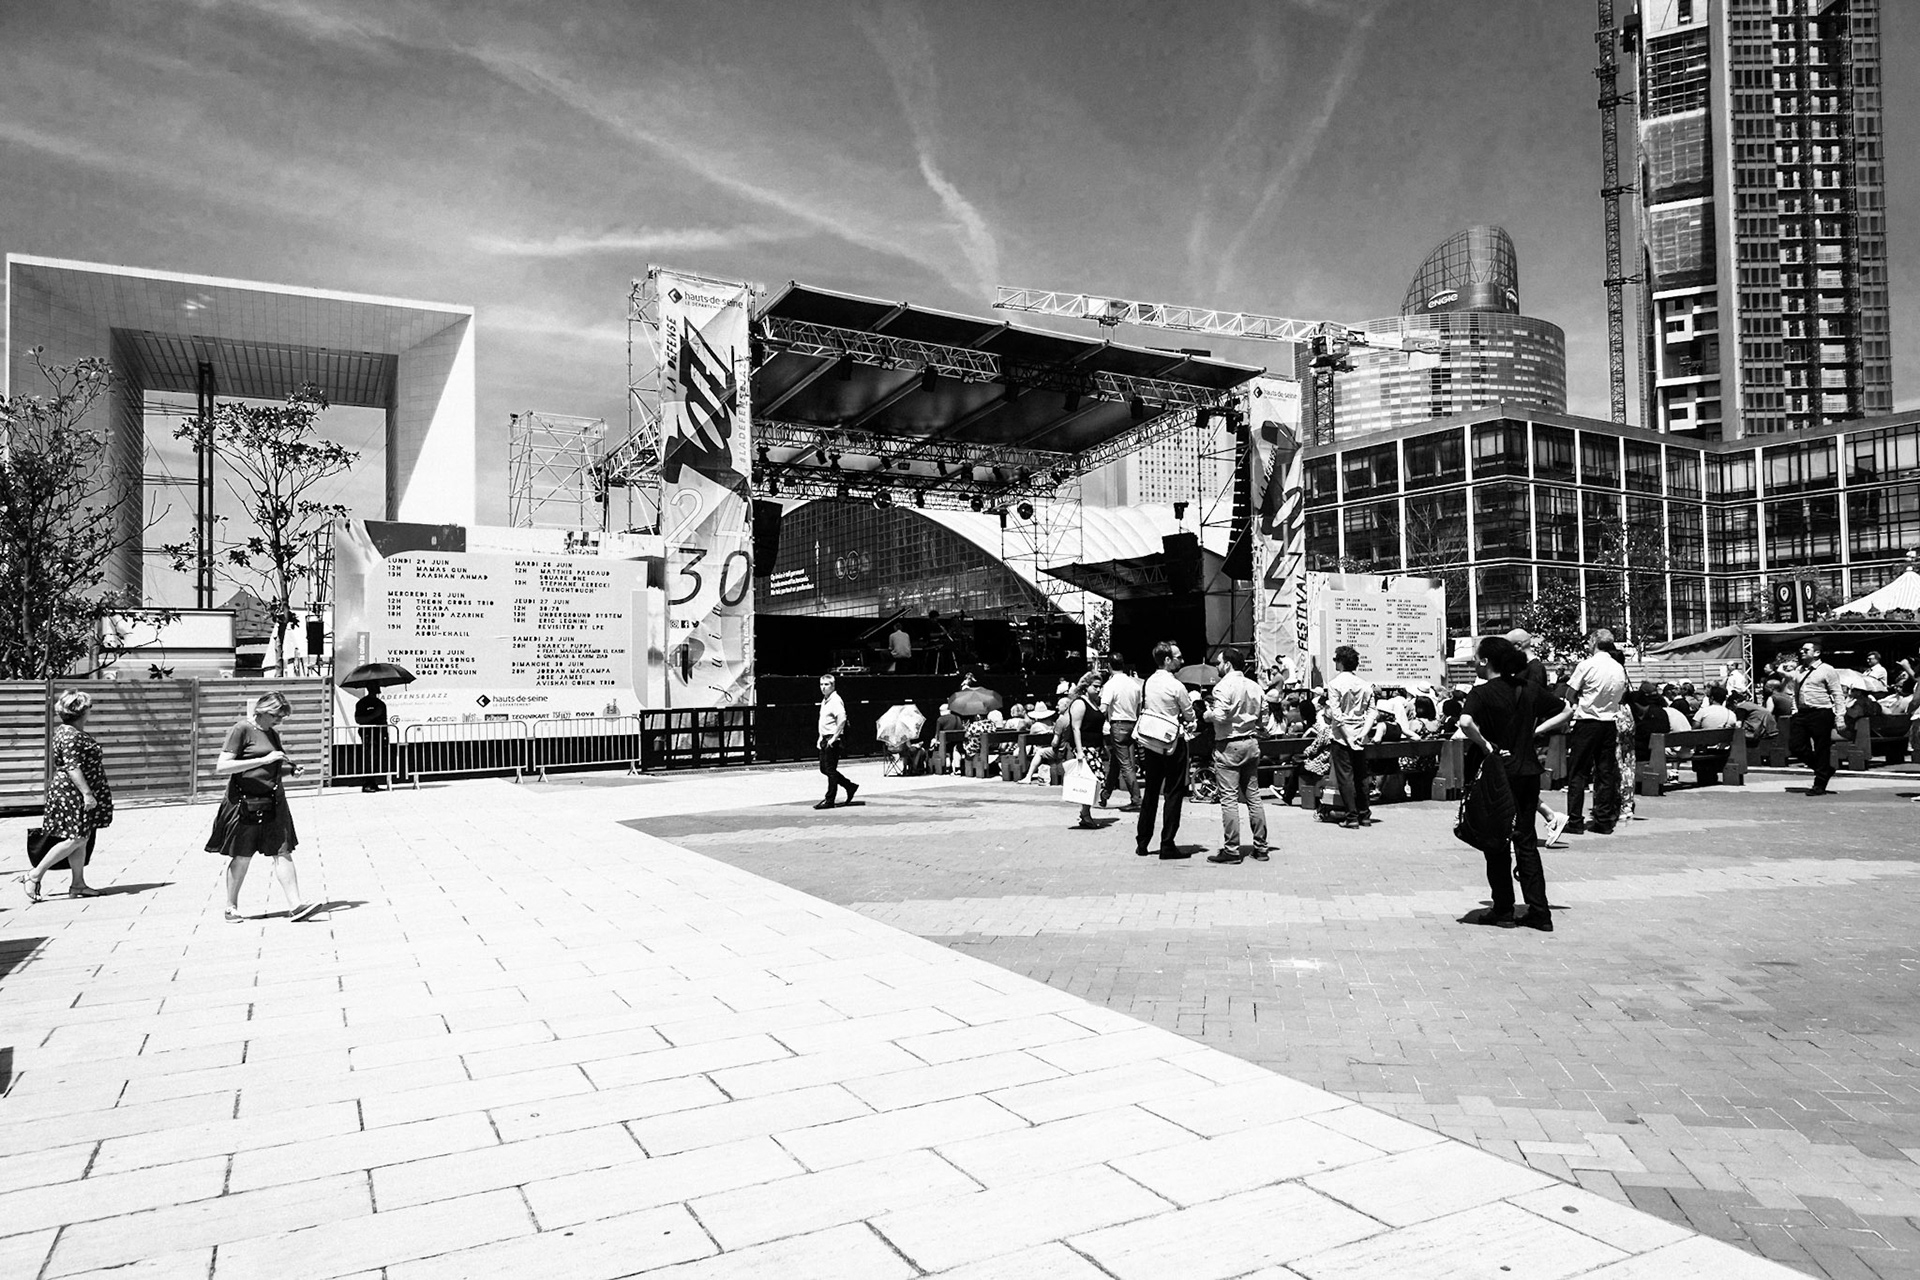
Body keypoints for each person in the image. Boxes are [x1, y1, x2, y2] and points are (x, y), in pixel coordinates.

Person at [1455, 636, 1573, 932]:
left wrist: (1486, 746)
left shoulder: (1481, 693)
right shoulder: (1529, 688)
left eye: (1475, 658)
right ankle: (1539, 912)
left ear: (1485, 661)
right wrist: (1536, 731)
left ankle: (1504, 909)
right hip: (1528, 771)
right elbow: (1567, 709)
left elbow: (1465, 722)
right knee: (1526, 841)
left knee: (1495, 840)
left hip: (1498, 773)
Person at [207, 692, 319, 923]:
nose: (279, 721)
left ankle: (296, 905)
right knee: (242, 855)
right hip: (243, 802)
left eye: (282, 717)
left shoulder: (272, 734)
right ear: (263, 711)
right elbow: (222, 766)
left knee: (283, 852)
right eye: (277, 716)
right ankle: (231, 907)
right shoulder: (242, 730)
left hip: (273, 801)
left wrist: (290, 771)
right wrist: (264, 760)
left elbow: (272, 768)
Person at [20, 690, 111, 902]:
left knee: (82, 837)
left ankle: (78, 884)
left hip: (73, 790)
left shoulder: (68, 731)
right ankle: (33, 875)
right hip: (73, 792)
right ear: (82, 711)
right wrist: (87, 793)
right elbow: (72, 767)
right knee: (77, 837)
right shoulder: (70, 735)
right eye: (89, 707)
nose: (91, 710)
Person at [1205, 647, 1270, 863]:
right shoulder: (1254, 686)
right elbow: (1264, 716)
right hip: (1251, 742)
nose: (1217, 666)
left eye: (1219, 662)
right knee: (1253, 796)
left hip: (1229, 744)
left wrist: (1207, 715)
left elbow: (1220, 716)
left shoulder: (1223, 687)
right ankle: (1261, 847)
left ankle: (1231, 849)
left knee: (1229, 799)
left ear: (1228, 664)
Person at [1135, 639, 1197, 857]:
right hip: (1172, 742)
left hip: (1150, 740)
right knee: (1173, 792)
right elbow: (1189, 714)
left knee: (1151, 790)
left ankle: (1142, 841)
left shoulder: (1148, 682)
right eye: (1178, 657)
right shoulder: (1176, 686)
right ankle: (1167, 842)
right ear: (1168, 660)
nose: (1182, 660)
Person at [1562, 628, 1627, 836]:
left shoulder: (1587, 665)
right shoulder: (1618, 668)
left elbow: (1570, 692)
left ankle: (1575, 820)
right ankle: (1604, 820)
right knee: (1605, 772)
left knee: (1578, 772)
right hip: (1609, 722)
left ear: (1593, 642)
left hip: (1587, 721)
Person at [1326, 644, 1377, 830]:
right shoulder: (1365, 685)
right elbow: (1372, 712)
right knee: (1362, 776)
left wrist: (1348, 738)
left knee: (1345, 777)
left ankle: (1351, 816)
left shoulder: (1334, 684)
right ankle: (1365, 815)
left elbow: (1336, 715)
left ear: (1340, 662)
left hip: (1341, 736)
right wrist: (1363, 733)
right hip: (1360, 734)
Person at [1790, 639, 1847, 796]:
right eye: (1801, 649)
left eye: (1806, 650)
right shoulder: (1799, 670)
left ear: (1816, 653)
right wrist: (1794, 710)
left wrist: (1840, 716)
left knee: (1822, 748)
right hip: (1802, 712)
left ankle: (1819, 784)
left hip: (1821, 712)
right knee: (1796, 746)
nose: (1802, 652)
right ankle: (1824, 769)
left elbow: (1837, 693)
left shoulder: (1827, 670)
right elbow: (1795, 692)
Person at [1097, 654, 1143, 812]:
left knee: (1125, 765)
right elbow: (1139, 708)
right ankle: (1105, 795)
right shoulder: (1135, 684)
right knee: (1117, 762)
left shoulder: (1110, 684)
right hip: (1132, 724)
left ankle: (1136, 799)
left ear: (1109, 666)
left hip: (1117, 725)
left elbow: (1103, 708)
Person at [1064, 672, 1105, 830]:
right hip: (1085, 747)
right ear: (1086, 686)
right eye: (1095, 686)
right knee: (1092, 779)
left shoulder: (1095, 702)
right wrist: (1079, 751)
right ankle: (1086, 814)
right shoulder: (1080, 703)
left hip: (1095, 746)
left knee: (1095, 779)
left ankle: (1085, 812)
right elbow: (1076, 727)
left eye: (1100, 687)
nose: (1098, 690)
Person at [814, 673, 858, 809]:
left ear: (833, 686)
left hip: (833, 738)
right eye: (821, 684)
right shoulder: (825, 700)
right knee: (824, 768)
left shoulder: (835, 700)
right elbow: (823, 721)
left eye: (826, 685)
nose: (823, 687)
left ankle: (830, 800)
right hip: (825, 737)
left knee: (830, 769)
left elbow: (842, 719)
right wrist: (820, 737)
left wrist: (834, 738)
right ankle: (849, 786)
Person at [352, 687, 389, 792]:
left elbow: (384, 720)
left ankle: (373, 783)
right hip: (368, 734)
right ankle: (366, 784)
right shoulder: (362, 703)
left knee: (377, 759)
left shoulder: (381, 704)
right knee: (369, 758)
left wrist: (386, 736)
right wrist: (373, 715)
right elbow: (358, 719)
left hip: (379, 734)